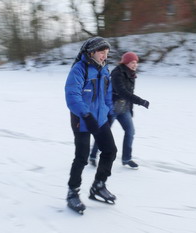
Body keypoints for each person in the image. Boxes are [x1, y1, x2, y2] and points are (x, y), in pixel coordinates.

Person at [64, 37, 117, 214]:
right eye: (102, 52)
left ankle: (98, 185)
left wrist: (109, 112)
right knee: (82, 157)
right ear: (92, 52)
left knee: (110, 151)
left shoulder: (104, 69)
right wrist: (86, 114)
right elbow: (72, 96)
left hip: (100, 118)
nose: (104, 56)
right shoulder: (79, 69)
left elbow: (107, 93)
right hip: (82, 118)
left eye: (107, 53)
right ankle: (73, 192)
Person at [89, 52, 149, 169]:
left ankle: (126, 159)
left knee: (130, 131)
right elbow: (122, 92)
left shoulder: (131, 74)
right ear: (126, 62)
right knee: (103, 133)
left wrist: (130, 109)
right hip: (111, 108)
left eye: (136, 62)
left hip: (124, 108)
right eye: (132, 62)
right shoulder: (117, 73)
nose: (135, 65)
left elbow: (129, 93)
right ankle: (92, 155)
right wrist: (140, 101)